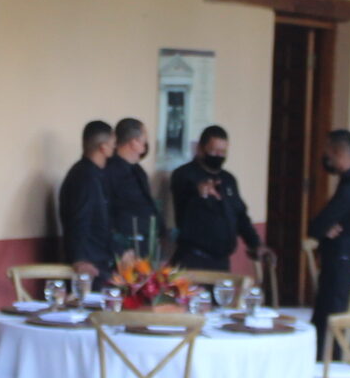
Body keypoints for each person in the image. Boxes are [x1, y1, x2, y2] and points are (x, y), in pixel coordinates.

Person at [307, 129, 350, 347]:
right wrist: (324, 228)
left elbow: (316, 226)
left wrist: (324, 229)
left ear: (337, 153)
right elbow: (322, 226)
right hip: (346, 265)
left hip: (339, 270)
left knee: (329, 329)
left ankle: (328, 366)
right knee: (330, 326)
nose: (325, 157)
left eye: (327, 152)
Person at [170, 124, 261, 274]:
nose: (218, 156)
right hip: (193, 260)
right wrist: (199, 193)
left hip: (222, 262)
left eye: (223, 152)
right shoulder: (184, 175)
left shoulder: (228, 180)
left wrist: (256, 244)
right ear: (201, 149)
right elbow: (183, 204)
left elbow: (240, 216)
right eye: (214, 150)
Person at [60, 121, 117, 279]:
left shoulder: (95, 174)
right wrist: (79, 259)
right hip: (89, 265)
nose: (115, 147)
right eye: (113, 143)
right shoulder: (84, 177)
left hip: (100, 259)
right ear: (103, 147)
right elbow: (79, 219)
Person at [104, 116, 161, 263]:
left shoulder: (138, 171)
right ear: (134, 142)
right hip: (123, 250)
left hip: (145, 246)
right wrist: (118, 250)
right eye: (144, 138)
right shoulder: (109, 171)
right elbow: (103, 214)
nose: (146, 142)